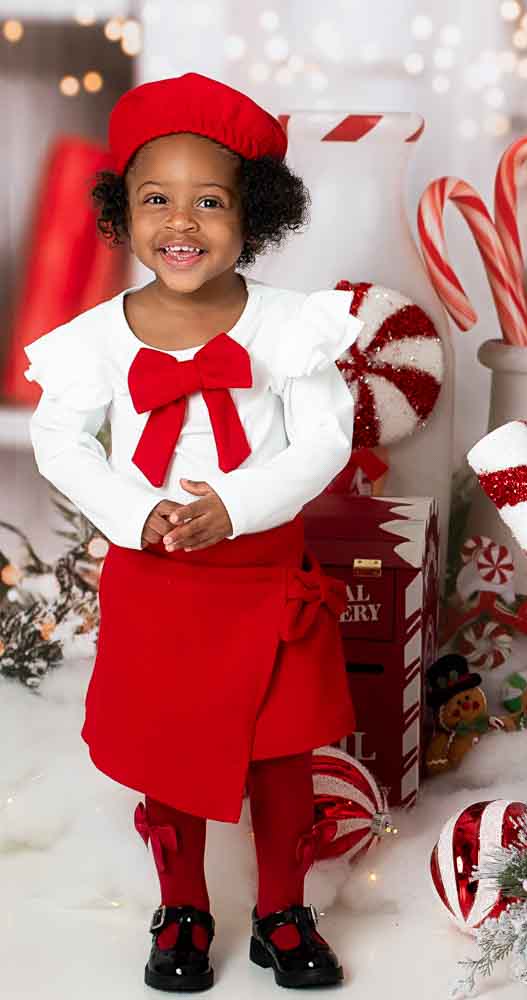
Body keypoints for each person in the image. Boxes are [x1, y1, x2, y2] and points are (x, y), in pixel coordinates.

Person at [23, 72, 364, 993]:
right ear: (122, 212)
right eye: (156, 199)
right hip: (159, 576)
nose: (183, 222)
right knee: (170, 748)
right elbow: (58, 437)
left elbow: (323, 440)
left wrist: (236, 504)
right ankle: (184, 906)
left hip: (263, 575)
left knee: (282, 750)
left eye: (210, 201)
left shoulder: (293, 328)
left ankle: (282, 908)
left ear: (254, 214)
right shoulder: (99, 335)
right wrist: (139, 512)